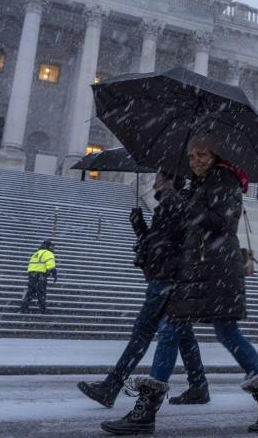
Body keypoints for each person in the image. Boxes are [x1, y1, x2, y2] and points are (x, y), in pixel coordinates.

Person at [101, 134, 258, 435]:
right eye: (191, 156)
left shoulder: (224, 180)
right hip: (199, 268)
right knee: (174, 330)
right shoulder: (203, 183)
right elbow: (191, 224)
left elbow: (221, 222)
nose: (195, 161)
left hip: (217, 269)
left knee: (222, 333)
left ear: (215, 155)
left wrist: (181, 203)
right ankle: (146, 412)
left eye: (202, 154)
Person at [78, 171, 209, 410]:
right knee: (184, 336)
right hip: (169, 279)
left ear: (168, 180)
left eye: (159, 175)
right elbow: (160, 242)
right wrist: (139, 226)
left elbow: (165, 247)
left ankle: (112, 387)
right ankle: (199, 385)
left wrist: (150, 246)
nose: (155, 179)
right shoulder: (169, 204)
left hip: (165, 280)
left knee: (142, 333)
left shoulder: (172, 204)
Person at [19, 239, 56, 314]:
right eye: (52, 246)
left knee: (31, 292)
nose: (53, 248)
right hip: (40, 275)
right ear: (48, 246)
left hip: (32, 275)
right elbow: (50, 264)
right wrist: (54, 273)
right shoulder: (48, 253)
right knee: (41, 292)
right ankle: (42, 310)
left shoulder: (36, 253)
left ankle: (23, 308)